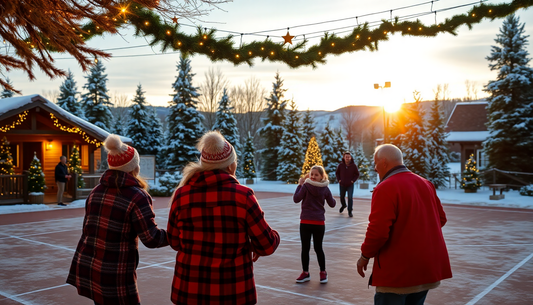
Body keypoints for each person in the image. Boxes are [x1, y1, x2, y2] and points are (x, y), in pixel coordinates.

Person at [167, 131, 280, 305]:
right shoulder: (243, 196)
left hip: (188, 289)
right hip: (232, 291)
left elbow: (174, 242)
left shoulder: (181, 195)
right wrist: (256, 243)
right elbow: (267, 246)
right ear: (230, 166)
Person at [67, 135, 168, 305]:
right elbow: (151, 239)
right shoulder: (137, 196)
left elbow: (88, 230)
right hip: (116, 273)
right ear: (133, 167)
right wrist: (178, 234)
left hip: (90, 267)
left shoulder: (96, 191)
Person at [356, 144, 452, 305]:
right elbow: (440, 219)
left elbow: (378, 232)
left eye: (375, 163)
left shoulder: (385, 188)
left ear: (384, 162)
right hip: (425, 270)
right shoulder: (425, 183)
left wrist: (364, 256)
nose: (374, 168)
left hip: (397, 275)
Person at [293, 165, 336, 284]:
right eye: (312, 174)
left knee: (315, 248)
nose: (313, 177)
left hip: (312, 222)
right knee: (310, 248)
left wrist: (299, 185)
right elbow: (332, 204)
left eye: (316, 175)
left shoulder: (306, 186)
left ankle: (318, 272)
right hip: (311, 222)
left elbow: (296, 198)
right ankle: (308, 272)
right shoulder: (323, 188)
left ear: (322, 176)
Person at [336, 151, 359, 217]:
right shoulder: (340, 165)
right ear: (344, 158)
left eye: (348, 157)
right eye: (346, 157)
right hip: (342, 184)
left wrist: (353, 181)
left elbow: (357, 174)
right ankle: (343, 205)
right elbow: (337, 173)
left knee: (350, 197)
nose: (347, 158)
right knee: (342, 196)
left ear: (351, 158)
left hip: (350, 185)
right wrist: (339, 180)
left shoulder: (353, 166)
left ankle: (350, 211)